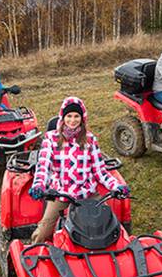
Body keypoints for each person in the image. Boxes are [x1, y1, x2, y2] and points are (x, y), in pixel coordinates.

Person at [28, 96, 129, 243]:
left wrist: (117, 186)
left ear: (82, 118)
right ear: (63, 117)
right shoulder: (51, 139)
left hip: (87, 194)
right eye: (69, 116)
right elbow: (43, 166)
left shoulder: (90, 139)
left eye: (77, 116)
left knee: (110, 227)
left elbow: (100, 171)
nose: (73, 120)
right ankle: (34, 255)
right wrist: (38, 185)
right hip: (61, 194)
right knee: (42, 232)